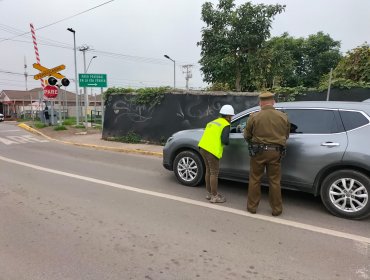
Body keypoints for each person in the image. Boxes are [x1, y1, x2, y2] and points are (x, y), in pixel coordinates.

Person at [244, 92, 290, 216]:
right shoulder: (283, 116)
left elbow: (247, 135)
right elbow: (286, 135)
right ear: (273, 102)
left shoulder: (254, 117)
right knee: (274, 181)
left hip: (258, 152)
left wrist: (252, 142)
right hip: (276, 152)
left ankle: (252, 207)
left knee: (255, 179)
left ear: (261, 103)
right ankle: (277, 209)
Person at [198, 104, 235, 203]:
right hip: (212, 151)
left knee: (208, 171)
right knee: (214, 173)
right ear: (227, 116)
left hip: (202, 148)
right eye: (231, 116)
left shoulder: (212, 122)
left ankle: (209, 193)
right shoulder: (226, 125)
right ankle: (215, 196)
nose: (231, 118)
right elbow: (225, 141)